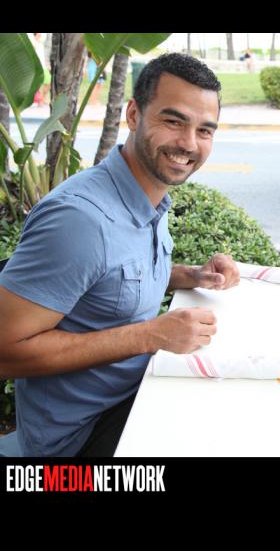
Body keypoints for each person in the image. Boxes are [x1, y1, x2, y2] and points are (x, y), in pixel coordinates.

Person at [0, 53, 241, 457]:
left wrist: (189, 275)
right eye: (173, 121)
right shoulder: (80, 221)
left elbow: (108, 279)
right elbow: (5, 351)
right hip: (78, 439)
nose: (189, 143)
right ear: (133, 114)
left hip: (136, 393)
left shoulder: (147, 194)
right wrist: (151, 335)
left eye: (204, 130)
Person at [31, 33, 51, 106]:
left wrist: (48, 63)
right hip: (35, 64)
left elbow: (48, 47)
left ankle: (42, 98)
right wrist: (35, 38)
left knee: (48, 81)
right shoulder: (31, 38)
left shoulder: (43, 39)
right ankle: (39, 100)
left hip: (43, 63)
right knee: (37, 83)